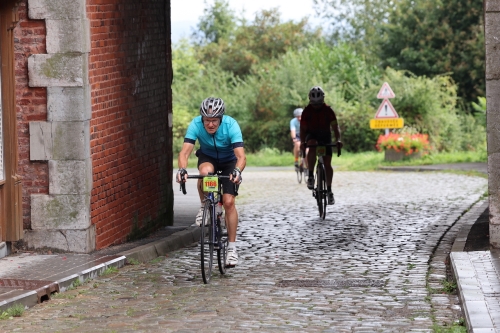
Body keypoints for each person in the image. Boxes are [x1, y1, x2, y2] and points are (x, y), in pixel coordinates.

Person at [176, 97, 246, 267]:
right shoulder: (195, 124)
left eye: (214, 120)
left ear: (221, 119)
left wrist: (237, 171)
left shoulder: (231, 125)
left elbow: (241, 156)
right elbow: (184, 153)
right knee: (205, 173)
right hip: (208, 157)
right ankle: (205, 205)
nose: (210, 124)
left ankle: (231, 248)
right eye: (207, 120)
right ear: (202, 119)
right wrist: (182, 170)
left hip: (229, 161)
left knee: (229, 202)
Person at [300, 86, 343, 205]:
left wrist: (338, 140)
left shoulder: (328, 111)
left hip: (325, 135)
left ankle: (329, 190)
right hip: (311, 134)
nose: (316, 107)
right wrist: (303, 143)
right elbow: (303, 129)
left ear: (323, 101)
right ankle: (310, 175)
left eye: (319, 104)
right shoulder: (307, 111)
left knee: (327, 163)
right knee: (312, 144)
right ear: (310, 101)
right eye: (314, 104)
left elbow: (335, 127)